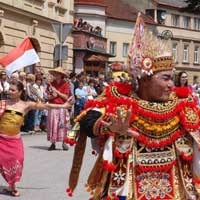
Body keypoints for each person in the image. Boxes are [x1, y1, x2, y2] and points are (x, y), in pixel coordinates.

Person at [67, 14, 200, 200]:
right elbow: (86, 119)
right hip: (128, 189)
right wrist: (108, 126)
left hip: (175, 189)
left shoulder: (182, 104)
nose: (172, 85)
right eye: (166, 78)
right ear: (144, 79)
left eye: (172, 78)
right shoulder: (119, 99)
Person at [0, 80, 73, 197]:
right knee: (2, 161)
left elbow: (46, 105)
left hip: (14, 140)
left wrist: (63, 106)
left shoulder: (26, 105)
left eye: (13, 90)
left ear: (20, 92)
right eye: (9, 89)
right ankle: (12, 187)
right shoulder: (3, 103)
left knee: (17, 161)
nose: (10, 91)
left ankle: (11, 185)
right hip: (1, 140)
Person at [46, 67, 70, 151]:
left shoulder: (65, 84)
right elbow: (47, 97)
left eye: (58, 73)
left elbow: (66, 97)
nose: (56, 75)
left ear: (61, 75)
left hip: (62, 107)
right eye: (55, 73)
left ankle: (64, 142)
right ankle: (53, 143)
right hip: (53, 106)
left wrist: (58, 92)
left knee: (62, 125)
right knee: (53, 125)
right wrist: (52, 95)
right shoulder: (51, 84)